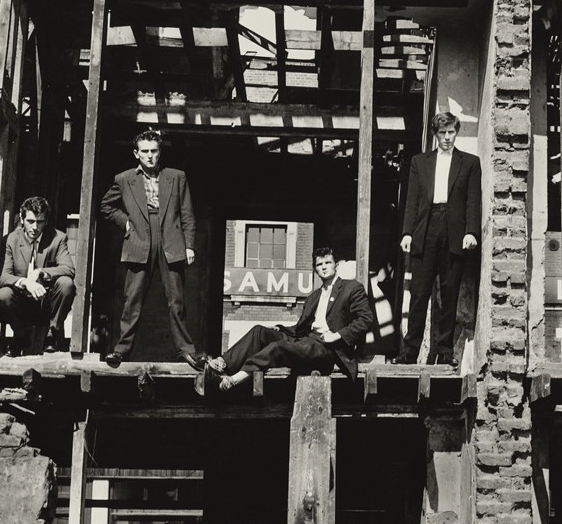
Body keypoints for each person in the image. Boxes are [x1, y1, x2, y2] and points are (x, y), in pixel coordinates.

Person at [99, 130, 204, 369]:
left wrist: (189, 245)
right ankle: (121, 351)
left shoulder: (176, 177)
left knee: (176, 300)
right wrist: (125, 222)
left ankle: (187, 351)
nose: (149, 156)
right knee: (132, 299)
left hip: (171, 239)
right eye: (144, 151)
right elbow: (106, 206)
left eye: (154, 151)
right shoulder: (124, 179)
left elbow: (187, 213)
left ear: (160, 152)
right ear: (136, 153)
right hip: (139, 239)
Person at [205, 246, 373, 391]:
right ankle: (222, 364)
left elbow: (365, 319)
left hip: (327, 349)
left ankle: (232, 380)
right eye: (319, 264)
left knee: (278, 348)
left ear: (335, 265)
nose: (324, 267)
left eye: (327, 263)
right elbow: (302, 327)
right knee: (259, 332)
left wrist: (337, 335)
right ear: (315, 269)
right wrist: (282, 329)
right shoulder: (314, 296)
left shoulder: (351, 288)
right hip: (305, 339)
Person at [393, 111, 482, 366]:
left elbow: (473, 201)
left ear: (457, 132)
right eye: (442, 133)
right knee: (419, 293)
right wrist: (407, 232)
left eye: (451, 132)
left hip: (454, 231)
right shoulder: (420, 162)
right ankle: (409, 352)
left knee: (449, 293)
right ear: (435, 134)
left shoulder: (470, 163)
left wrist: (471, 232)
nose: (447, 138)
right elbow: (411, 200)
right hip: (426, 227)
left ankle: (444, 352)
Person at [0, 196, 76, 354]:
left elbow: (69, 269)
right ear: (21, 218)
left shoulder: (57, 238)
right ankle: (20, 335)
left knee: (66, 284)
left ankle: (52, 334)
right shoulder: (11, 240)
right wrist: (25, 282)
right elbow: (4, 276)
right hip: (21, 303)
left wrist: (42, 273)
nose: (35, 227)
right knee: (3, 294)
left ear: (46, 221)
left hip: (46, 304)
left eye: (40, 222)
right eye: (30, 221)